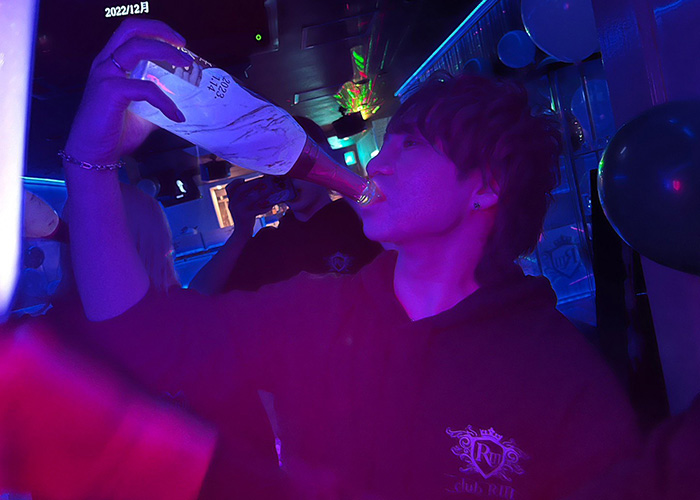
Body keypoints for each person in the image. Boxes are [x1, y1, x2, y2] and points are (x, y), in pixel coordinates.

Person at [57, 19, 639, 500]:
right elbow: (140, 334)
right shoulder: (314, 314)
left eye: (412, 145)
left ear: (486, 185)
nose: (378, 162)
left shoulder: (562, 380)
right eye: (388, 142)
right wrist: (90, 161)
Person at [189, 116, 382, 294]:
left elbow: (394, 257)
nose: (286, 177)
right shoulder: (269, 244)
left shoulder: (359, 219)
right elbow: (198, 297)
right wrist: (241, 232)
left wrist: (337, 175)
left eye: (295, 164)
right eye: (274, 168)